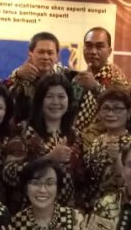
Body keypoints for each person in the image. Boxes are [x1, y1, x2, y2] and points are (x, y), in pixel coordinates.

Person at [5, 74, 83, 209]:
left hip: (66, 214)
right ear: (40, 100)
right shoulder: (23, 130)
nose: (55, 102)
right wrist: (49, 158)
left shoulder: (74, 135)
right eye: (49, 96)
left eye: (61, 97)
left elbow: (81, 179)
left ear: (69, 101)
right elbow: (8, 173)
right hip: (29, 212)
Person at [81, 88, 131, 209]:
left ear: (129, 113)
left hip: (115, 209)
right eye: (106, 108)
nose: (110, 114)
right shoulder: (97, 140)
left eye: (117, 109)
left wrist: (116, 160)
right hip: (90, 207)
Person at [72, 27, 131, 137]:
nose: (93, 52)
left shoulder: (117, 78)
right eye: (88, 46)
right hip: (76, 142)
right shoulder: (80, 78)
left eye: (99, 46)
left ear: (109, 51)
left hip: (105, 142)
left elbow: (120, 111)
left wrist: (95, 87)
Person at [6, 31, 73, 125]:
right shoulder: (19, 74)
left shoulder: (66, 76)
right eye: (41, 52)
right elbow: (3, 97)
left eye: (50, 53)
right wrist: (17, 76)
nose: (45, 57)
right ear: (30, 54)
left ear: (57, 56)